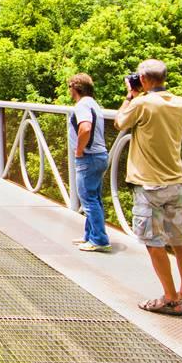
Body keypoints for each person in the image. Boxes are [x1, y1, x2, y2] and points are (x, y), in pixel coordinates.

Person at [115, 59, 182, 316]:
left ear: (144, 79)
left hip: (149, 184)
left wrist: (130, 95)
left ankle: (170, 298)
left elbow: (120, 122)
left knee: (154, 242)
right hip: (176, 181)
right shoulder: (180, 103)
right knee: (180, 240)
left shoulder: (142, 103)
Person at [68, 73, 111, 253]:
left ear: (75, 88)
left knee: (88, 198)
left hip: (89, 157)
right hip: (99, 156)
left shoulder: (82, 105)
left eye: (69, 87)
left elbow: (85, 128)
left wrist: (79, 150)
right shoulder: (93, 104)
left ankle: (99, 239)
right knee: (94, 198)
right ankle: (90, 235)